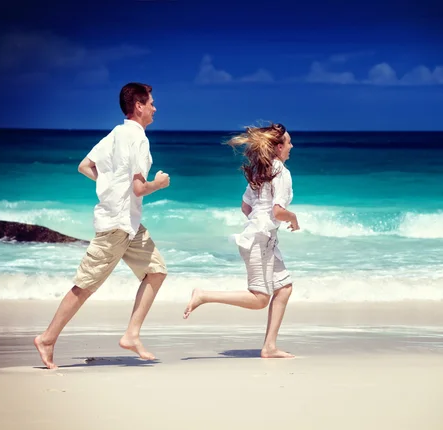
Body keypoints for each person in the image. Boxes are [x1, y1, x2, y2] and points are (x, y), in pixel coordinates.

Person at [34, 82, 170, 369]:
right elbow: (138, 188)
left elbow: (85, 166)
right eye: (151, 103)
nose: (155, 108)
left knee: (156, 271)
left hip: (128, 224)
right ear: (139, 106)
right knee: (85, 285)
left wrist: (110, 186)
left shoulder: (116, 133)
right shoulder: (139, 139)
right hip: (117, 226)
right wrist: (158, 184)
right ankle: (47, 338)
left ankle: (131, 334)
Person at [183, 122, 299, 358]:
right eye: (288, 142)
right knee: (259, 300)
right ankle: (204, 295)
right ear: (278, 148)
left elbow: (246, 207)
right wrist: (293, 218)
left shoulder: (261, 172)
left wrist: (260, 222)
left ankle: (269, 347)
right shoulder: (282, 173)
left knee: (284, 288)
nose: (292, 145)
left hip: (261, 238)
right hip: (260, 240)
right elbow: (278, 211)